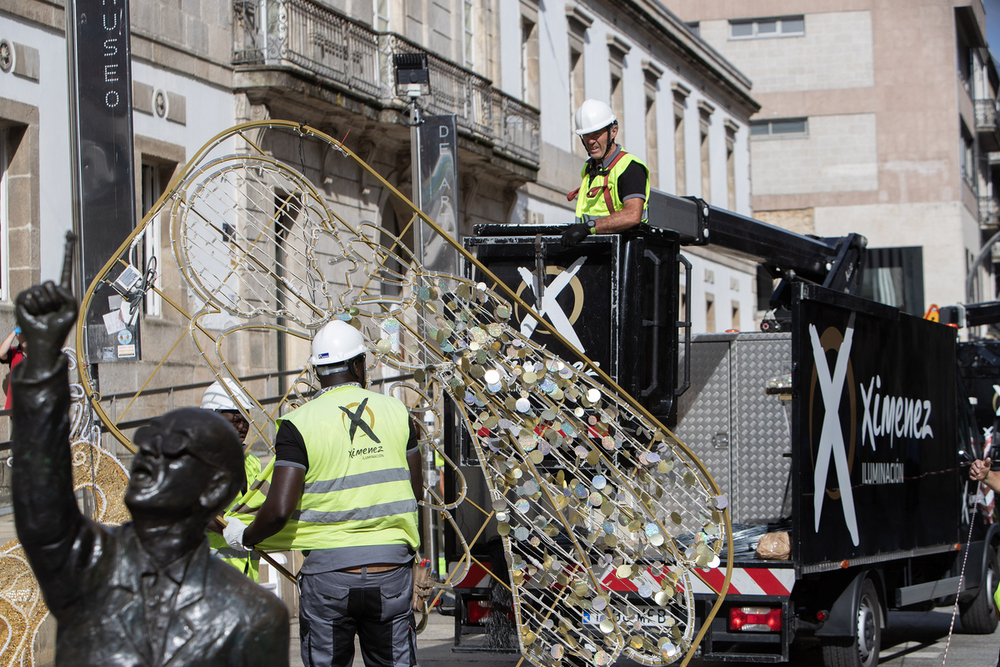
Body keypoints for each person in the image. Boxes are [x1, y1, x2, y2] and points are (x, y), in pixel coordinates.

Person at [10, 271, 289, 666]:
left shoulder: (252, 616)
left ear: (212, 488)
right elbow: (39, 505)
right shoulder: (89, 565)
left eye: (171, 450)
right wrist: (40, 362)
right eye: (146, 445)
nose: (148, 456)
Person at [224, 319, 423, 667]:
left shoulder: (299, 424)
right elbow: (413, 492)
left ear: (317, 371)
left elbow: (279, 510)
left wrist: (245, 536)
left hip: (329, 578)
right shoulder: (397, 413)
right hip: (391, 570)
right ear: (359, 364)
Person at [561, 99, 650, 247]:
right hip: (597, 254)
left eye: (597, 134)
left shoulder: (630, 167)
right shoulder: (590, 169)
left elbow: (633, 215)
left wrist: (588, 227)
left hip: (625, 253)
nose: (591, 141)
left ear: (613, 132)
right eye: (586, 135)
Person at [202, 378, 264, 580]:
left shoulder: (251, 462)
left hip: (246, 577)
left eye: (245, 420)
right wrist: (238, 532)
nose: (243, 427)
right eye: (235, 420)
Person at [1, 326, 26, 409]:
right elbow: (1, 354)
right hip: (16, 408)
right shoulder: (13, 352)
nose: (24, 336)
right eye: (21, 334)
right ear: (17, 337)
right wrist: (14, 332)